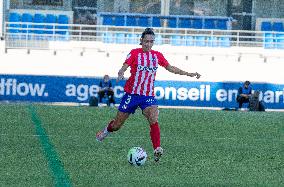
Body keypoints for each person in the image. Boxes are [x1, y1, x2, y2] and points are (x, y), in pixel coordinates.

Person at [96, 28, 201, 162]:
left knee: (153, 117)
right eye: (146, 41)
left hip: (147, 96)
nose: (149, 44)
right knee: (116, 125)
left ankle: (157, 148)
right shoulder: (134, 53)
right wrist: (121, 72)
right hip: (131, 94)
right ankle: (105, 131)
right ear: (141, 41)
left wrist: (189, 73)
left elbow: (170, 67)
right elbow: (125, 65)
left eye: (151, 42)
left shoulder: (157, 55)